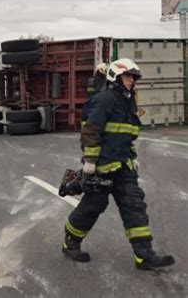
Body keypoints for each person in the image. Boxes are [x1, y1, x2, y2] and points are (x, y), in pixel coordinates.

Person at [62, 58, 175, 271]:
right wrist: (90, 163)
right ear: (116, 76)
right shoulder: (103, 100)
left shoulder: (128, 102)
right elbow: (91, 132)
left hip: (123, 167)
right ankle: (70, 243)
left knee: (134, 206)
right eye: (128, 76)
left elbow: (127, 135)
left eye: (134, 77)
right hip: (102, 166)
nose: (132, 80)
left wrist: (132, 156)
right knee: (92, 207)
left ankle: (144, 256)